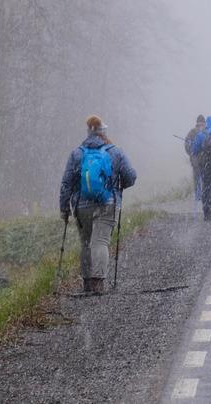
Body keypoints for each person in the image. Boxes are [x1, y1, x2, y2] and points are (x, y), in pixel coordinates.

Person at [59, 115, 137, 294]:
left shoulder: (77, 153)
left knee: (86, 243)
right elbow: (131, 176)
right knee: (100, 242)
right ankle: (98, 283)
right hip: (107, 203)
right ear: (104, 132)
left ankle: (86, 283)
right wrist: (119, 186)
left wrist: (64, 209)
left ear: (88, 132)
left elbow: (66, 183)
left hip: (82, 206)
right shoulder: (115, 152)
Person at [185, 115, 206, 216]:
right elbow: (186, 146)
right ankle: (199, 197)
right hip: (197, 162)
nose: (201, 125)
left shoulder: (205, 132)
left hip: (203, 162)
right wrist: (192, 152)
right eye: (199, 123)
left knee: (203, 180)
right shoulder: (192, 133)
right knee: (198, 179)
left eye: (202, 123)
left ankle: (202, 197)